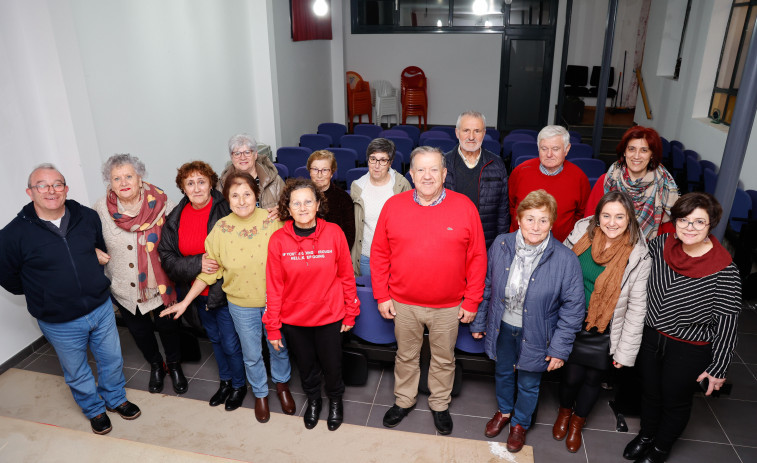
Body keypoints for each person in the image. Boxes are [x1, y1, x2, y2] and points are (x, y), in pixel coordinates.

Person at [0, 164, 140, 435]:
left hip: (100, 308)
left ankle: (115, 399)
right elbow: (9, 279)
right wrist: (44, 293)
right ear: (30, 192)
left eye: (57, 184)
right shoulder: (12, 235)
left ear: (66, 189)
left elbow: (96, 248)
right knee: (76, 371)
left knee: (112, 358)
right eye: (42, 185)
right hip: (59, 319)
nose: (51, 190)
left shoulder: (86, 216)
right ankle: (94, 409)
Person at [161, 172, 295, 424]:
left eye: (247, 194)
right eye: (235, 195)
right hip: (240, 305)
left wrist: (286, 208)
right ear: (227, 199)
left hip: (275, 303)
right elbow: (209, 271)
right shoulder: (221, 229)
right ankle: (260, 394)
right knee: (251, 352)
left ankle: (282, 386)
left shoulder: (273, 220)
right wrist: (185, 301)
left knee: (278, 347)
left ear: (256, 195)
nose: (242, 200)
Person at [371, 146, 487, 435]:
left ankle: (439, 404)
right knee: (406, 355)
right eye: (420, 169)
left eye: (434, 169)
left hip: (448, 306)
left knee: (444, 358)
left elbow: (477, 258)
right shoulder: (393, 206)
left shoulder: (464, 207)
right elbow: (379, 254)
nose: (427, 175)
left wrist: (472, 300)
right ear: (410, 174)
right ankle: (404, 400)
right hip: (403, 303)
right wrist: (382, 296)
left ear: (445, 174)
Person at [623, 192, 741, 463]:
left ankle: (661, 448)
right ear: (674, 222)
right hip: (651, 337)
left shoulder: (725, 270)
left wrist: (719, 368)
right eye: (684, 220)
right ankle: (646, 436)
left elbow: (728, 324)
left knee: (674, 400)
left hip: (688, 347)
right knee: (650, 393)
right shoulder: (660, 244)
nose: (690, 228)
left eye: (699, 222)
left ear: (711, 224)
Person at [470, 189, 584, 453]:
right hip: (503, 326)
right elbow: (486, 286)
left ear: (552, 223)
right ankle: (505, 412)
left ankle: (520, 424)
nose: (536, 226)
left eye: (543, 220)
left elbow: (573, 309)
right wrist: (478, 323)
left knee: (530, 382)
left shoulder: (565, 259)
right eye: (530, 218)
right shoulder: (501, 244)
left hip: (538, 333)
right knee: (502, 372)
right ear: (519, 219)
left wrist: (559, 348)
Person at [555, 191, 651, 453]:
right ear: (597, 217)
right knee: (571, 376)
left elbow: (636, 307)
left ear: (630, 219)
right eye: (606, 215)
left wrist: (625, 351)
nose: (612, 222)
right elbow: (556, 269)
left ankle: (577, 422)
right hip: (572, 321)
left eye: (619, 217)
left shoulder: (639, 255)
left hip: (605, 328)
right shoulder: (581, 234)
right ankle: (564, 412)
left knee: (592, 380)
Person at [263, 178, 360, 431]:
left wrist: (351, 313)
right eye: (296, 203)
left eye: (308, 201)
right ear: (288, 208)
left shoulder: (334, 233)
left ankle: (336, 402)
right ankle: (314, 401)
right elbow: (274, 287)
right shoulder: (278, 240)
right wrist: (272, 327)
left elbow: (346, 277)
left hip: (330, 316)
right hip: (295, 320)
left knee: (332, 365)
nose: (303, 207)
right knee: (306, 368)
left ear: (318, 204)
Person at [93, 154, 186, 395]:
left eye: (128, 176)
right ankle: (157, 364)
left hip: (160, 285)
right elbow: (89, 238)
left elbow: (180, 236)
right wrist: (93, 249)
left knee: (168, 329)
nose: (123, 182)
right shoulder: (101, 208)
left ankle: (174, 365)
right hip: (124, 286)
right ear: (109, 182)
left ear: (140, 177)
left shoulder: (163, 203)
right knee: (140, 331)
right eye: (116, 178)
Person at [157, 161, 247, 410]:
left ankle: (239, 385)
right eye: (189, 183)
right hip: (196, 294)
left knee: (230, 341)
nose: (196, 188)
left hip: (225, 290)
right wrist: (198, 263)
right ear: (183, 188)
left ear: (211, 183)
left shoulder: (226, 208)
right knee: (215, 340)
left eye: (201, 181)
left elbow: (241, 248)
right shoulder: (175, 216)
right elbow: (167, 258)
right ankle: (226, 382)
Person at [584, 126, 679, 241]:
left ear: (652, 154)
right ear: (624, 152)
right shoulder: (607, 180)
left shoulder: (664, 184)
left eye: (644, 150)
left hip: (649, 249)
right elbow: (590, 219)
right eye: (632, 149)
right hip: (608, 243)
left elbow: (670, 228)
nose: (636, 156)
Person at [509, 125, 590, 241]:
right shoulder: (520, 172)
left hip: (562, 248)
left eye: (555, 149)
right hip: (520, 244)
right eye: (544, 148)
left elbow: (582, 216)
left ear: (567, 149)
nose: (549, 154)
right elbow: (511, 207)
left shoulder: (579, 178)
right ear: (538, 148)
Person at [444, 110, 510, 247]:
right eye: (466, 130)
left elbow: (503, 211)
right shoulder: (442, 163)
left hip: (486, 242)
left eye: (477, 131)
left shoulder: (497, 164)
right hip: (448, 240)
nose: (471, 137)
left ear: (484, 134)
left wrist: (500, 244)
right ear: (457, 133)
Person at [350, 138, 412, 277]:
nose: (377, 165)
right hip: (366, 255)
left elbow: (410, 224)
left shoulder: (401, 186)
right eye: (373, 159)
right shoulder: (357, 186)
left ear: (390, 162)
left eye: (383, 160)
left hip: (394, 257)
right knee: (369, 297)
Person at [218, 133, 284, 216]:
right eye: (237, 153)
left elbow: (288, 207)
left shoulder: (275, 180)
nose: (242, 157)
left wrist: (281, 211)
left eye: (247, 152)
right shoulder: (221, 184)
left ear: (255, 155)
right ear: (231, 157)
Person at [307, 150, 355, 248]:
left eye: (325, 170)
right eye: (315, 169)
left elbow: (349, 236)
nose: (319, 175)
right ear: (309, 171)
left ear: (332, 173)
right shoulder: (299, 196)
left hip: (334, 254)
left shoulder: (344, 198)